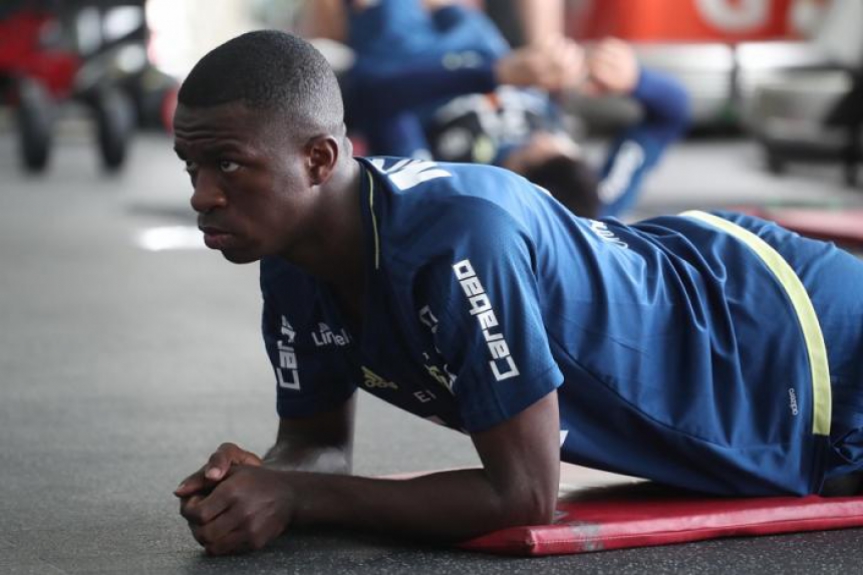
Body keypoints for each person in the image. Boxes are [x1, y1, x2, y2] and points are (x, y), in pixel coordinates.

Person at [172, 30, 863, 556]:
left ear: (318, 159)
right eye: (193, 165)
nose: (202, 194)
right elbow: (315, 447)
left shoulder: (456, 241)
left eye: (228, 163)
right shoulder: (291, 259)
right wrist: (257, 482)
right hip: (735, 326)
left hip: (797, 329)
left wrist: (299, 495)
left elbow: (523, 496)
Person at [306, 0, 690, 218]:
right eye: (561, 144)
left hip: (407, 56)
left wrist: (497, 73)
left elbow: (377, 99)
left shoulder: (442, 194)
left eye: (530, 148)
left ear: (513, 175)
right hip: (482, 41)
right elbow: (672, 113)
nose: (545, 136)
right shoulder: (596, 201)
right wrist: (635, 80)